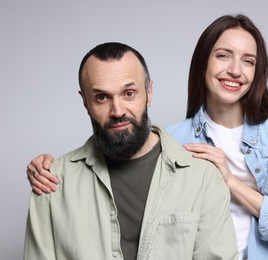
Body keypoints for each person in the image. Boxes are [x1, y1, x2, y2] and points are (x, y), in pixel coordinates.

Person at [26, 14, 268, 259]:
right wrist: (53, 168)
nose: (235, 70)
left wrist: (230, 182)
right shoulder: (173, 140)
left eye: (248, 61)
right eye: (223, 56)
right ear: (203, 62)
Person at [23, 42, 238, 260]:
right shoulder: (52, 182)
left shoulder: (202, 178)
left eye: (129, 93)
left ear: (149, 93)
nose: (117, 111)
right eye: (101, 97)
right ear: (85, 102)